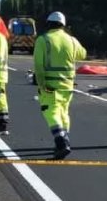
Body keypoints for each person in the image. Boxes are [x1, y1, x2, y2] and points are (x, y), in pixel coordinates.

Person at [33, 11, 86, 159]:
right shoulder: (71, 40)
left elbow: (38, 64)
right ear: (63, 25)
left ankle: (61, 141)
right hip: (68, 85)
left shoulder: (43, 40)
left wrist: (41, 83)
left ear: (48, 24)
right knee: (63, 113)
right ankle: (64, 140)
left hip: (50, 84)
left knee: (50, 112)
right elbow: (83, 54)